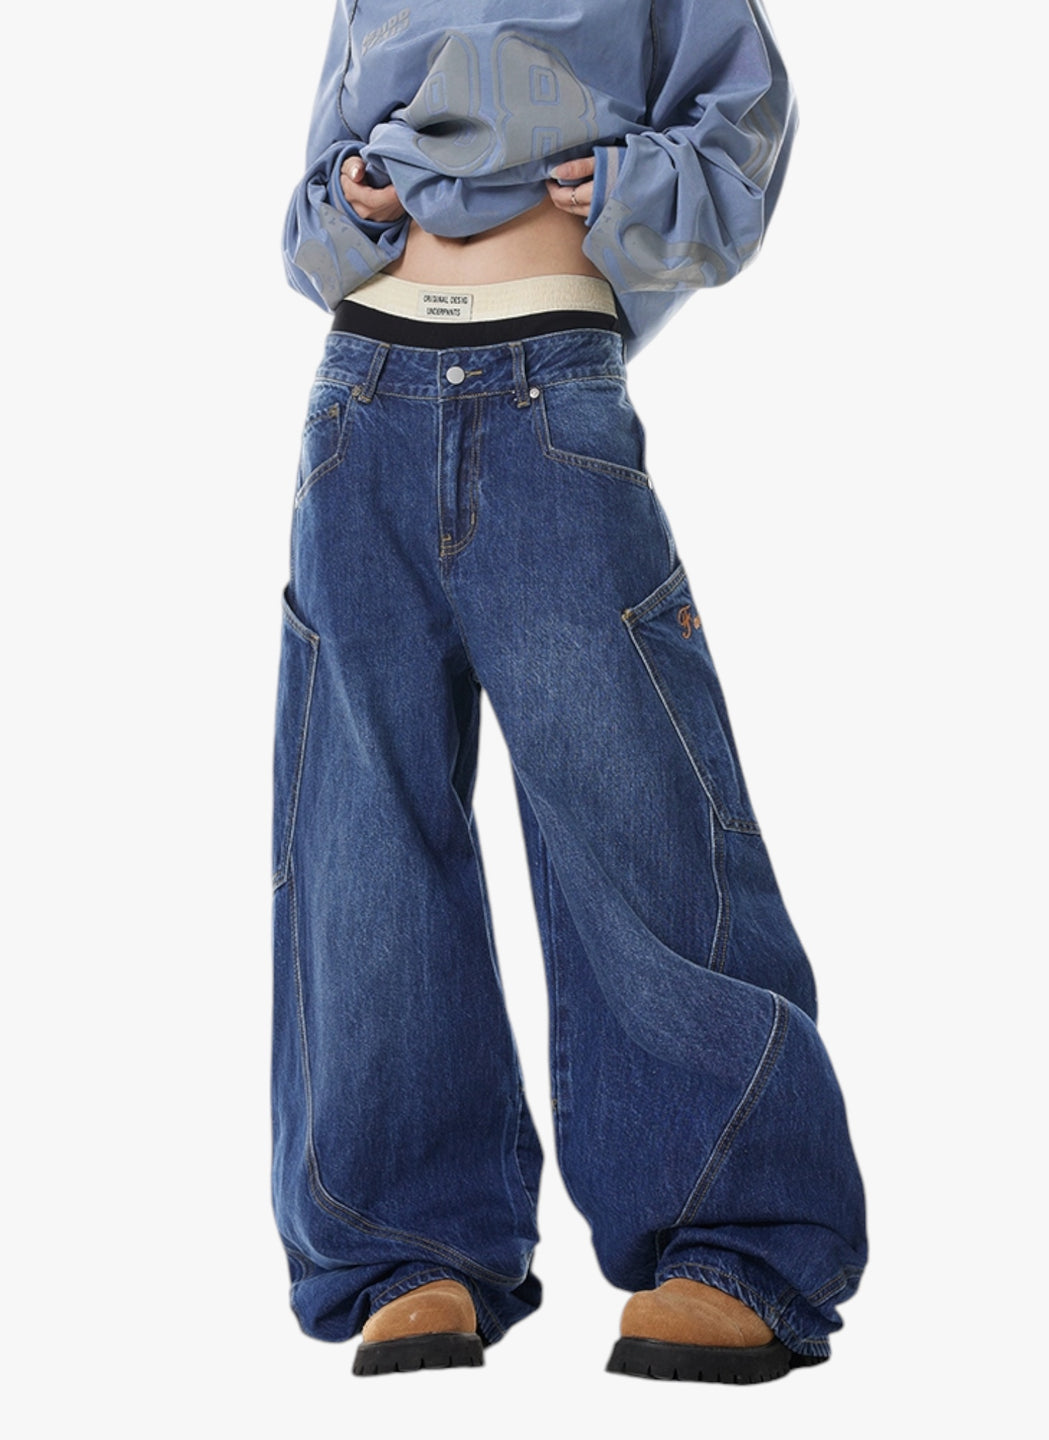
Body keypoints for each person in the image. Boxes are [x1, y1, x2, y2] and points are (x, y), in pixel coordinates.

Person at [271, 0, 868, 1385]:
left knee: (636, 816)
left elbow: (744, 143)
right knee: (362, 845)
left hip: (551, 390)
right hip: (358, 402)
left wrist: (628, 183)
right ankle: (409, 1249)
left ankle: (734, 1233)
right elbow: (303, 228)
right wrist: (351, 195)